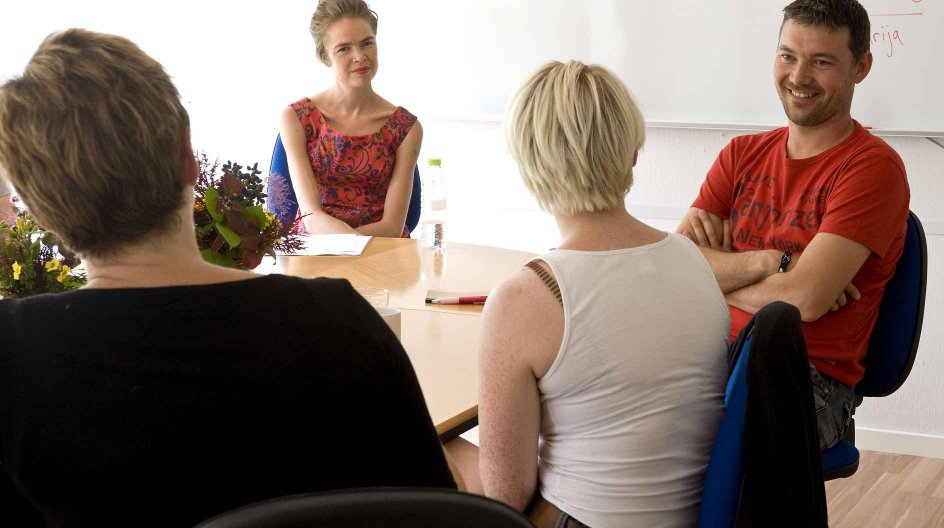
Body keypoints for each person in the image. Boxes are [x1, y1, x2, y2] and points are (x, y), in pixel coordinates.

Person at [0, 29, 458, 527]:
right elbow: (434, 509)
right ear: (189, 159)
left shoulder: (13, 356)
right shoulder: (339, 320)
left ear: (39, 212)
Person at [476, 61, 730, 528]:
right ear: (633, 152)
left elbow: (506, 497)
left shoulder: (524, 298)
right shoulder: (692, 260)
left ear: (528, 163)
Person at [678, 0, 910, 450]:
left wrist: (715, 275)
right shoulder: (740, 154)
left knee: (656, 430)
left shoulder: (872, 168)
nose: (798, 77)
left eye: (821, 62)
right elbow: (675, 265)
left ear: (860, 67)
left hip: (809, 384)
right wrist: (773, 263)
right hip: (709, 354)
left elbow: (803, 300)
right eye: (787, 56)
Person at [278, 0, 421, 237]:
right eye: (344, 48)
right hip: (317, 250)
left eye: (367, 44)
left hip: (383, 250)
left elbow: (392, 227)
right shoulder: (297, 118)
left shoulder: (406, 128)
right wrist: (346, 248)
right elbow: (312, 218)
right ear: (325, 57)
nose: (359, 56)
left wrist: (351, 247)